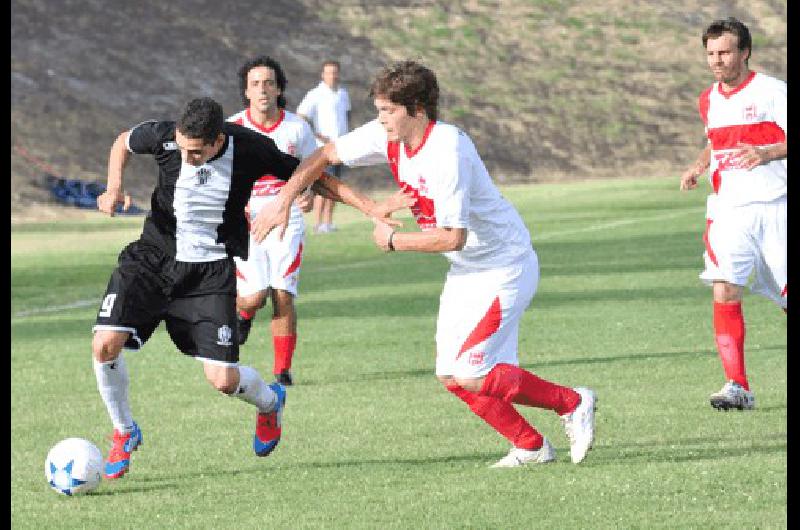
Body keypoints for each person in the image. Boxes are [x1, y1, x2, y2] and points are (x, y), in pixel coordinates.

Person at [253, 60, 597, 468]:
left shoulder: (446, 150)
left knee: (472, 372)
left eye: (387, 111)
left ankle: (572, 402)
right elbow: (323, 155)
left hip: (504, 265)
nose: (380, 120)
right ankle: (529, 445)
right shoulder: (390, 135)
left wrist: (394, 240)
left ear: (416, 107)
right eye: (378, 110)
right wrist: (284, 199)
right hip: (467, 270)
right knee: (451, 374)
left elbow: (453, 236)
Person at [91, 97, 382, 479]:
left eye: (196, 153)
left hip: (209, 272)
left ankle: (269, 404)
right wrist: (114, 187)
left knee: (223, 381)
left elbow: (314, 176)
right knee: (104, 344)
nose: (187, 159)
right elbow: (122, 142)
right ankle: (124, 431)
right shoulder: (165, 137)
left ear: (216, 141)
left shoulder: (249, 148)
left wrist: (370, 208)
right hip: (152, 257)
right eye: (182, 149)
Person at [680, 17, 786, 411]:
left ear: (744, 52)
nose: (716, 61)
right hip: (730, 210)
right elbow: (715, 141)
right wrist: (697, 165)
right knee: (725, 287)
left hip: (777, 207)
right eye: (710, 53)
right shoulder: (708, 99)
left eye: (724, 52)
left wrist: (767, 152)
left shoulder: (773, 92)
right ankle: (737, 385)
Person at [228, 56, 318, 386]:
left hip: (287, 217)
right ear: (246, 92)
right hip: (247, 222)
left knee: (283, 293)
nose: (262, 89)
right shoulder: (232, 129)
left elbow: (312, 168)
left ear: (279, 89)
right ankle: (244, 313)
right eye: (255, 84)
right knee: (254, 295)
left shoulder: (296, 128)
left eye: (269, 83)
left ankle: (282, 371)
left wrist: (308, 192)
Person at [297, 60, 351, 234]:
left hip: (341, 147)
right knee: (322, 185)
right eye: (328, 72)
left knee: (336, 186)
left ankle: (328, 222)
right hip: (323, 148)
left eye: (335, 72)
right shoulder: (316, 94)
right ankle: (318, 223)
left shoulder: (343, 93)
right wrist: (317, 135)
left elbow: (347, 116)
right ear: (323, 75)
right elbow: (302, 115)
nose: (332, 76)